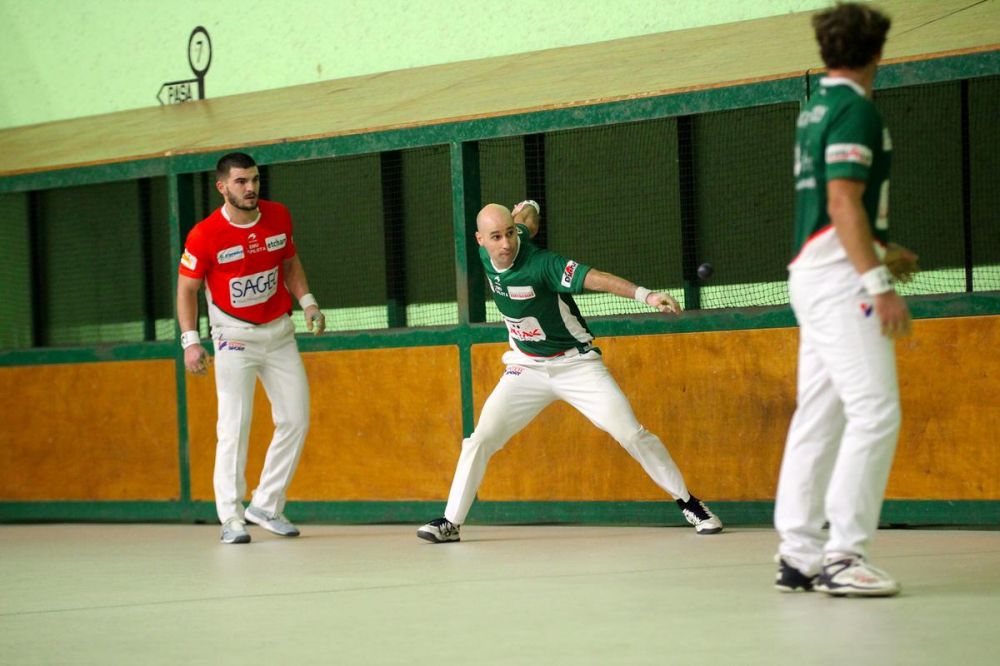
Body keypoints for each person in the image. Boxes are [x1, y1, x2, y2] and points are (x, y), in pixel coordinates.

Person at [417, 200, 723, 543]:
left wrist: (647, 295)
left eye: (509, 235)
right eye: (496, 237)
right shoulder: (496, 246)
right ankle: (450, 521)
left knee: (631, 433)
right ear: (480, 240)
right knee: (480, 439)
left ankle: (690, 503)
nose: (506, 243)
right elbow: (525, 221)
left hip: (576, 364)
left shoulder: (544, 265)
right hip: (526, 367)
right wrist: (529, 207)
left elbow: (598, 279)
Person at [774, 3, 919, 596]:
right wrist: (877, 283)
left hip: (817, 272)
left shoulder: (815, 110)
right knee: (876, 411)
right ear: (878, 53)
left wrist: (880, 253)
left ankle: (799, 555)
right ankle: (843, 556)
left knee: (821, 412)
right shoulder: (857, 110)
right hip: (840, 284)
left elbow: (833, 216)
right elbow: (841, 203)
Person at [177, 152, 326, 544]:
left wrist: (307, 300)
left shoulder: (278, 215)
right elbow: (187, 289)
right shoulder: (204, 234)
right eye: (241, 181)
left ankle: (266, 505)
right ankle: (231, 517)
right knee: (234, 428)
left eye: (255, 180)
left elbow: (290, 263)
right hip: (233, 340)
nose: (251, 188)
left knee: (296, 419)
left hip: (279, 335)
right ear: (222, 187)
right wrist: (190, 342)